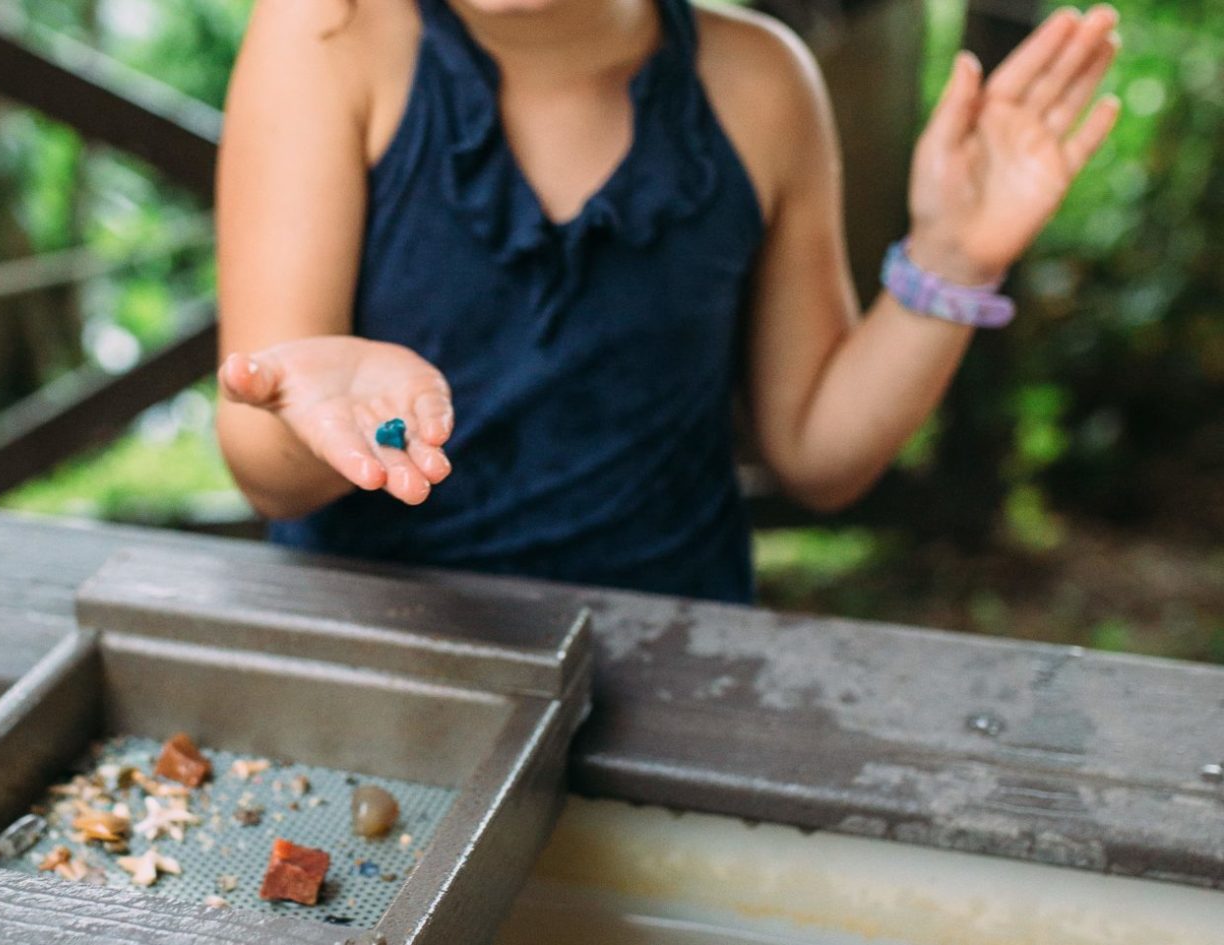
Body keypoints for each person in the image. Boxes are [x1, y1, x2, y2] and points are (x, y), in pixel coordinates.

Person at [212, 0, 1121, 602]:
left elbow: (819, 454)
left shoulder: (762, 84)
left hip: (672, 657)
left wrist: (953, 257)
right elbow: (265, 463)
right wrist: (320, 420)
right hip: (377, 655)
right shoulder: (324, 38)